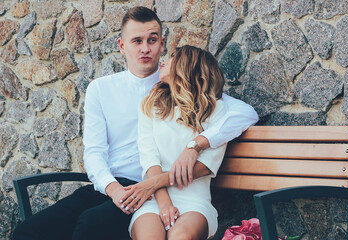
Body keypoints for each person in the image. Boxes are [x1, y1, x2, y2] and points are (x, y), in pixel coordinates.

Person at [12, 6, 258, 240]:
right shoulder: (102, 88)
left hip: (150, 192)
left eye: (152, 40)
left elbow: (244, 113)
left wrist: (197, 144)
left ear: (162, 44)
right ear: (122, 46)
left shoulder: (183, 89)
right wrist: (114, 190)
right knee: (28, 233)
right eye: (136, 41)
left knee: (90, 226)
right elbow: (94, 154)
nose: (145, 49)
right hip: (110, 188)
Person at [130, 45, 230, 240]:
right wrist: (164, 201)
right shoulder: (151, 106)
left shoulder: (217, 110)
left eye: (173, 57)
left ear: (187, 67)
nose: (164, 61)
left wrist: (156, 182)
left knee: (180, 237)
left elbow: (205, 166)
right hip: (155, 198)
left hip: (194, 199)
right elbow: (150, 158)